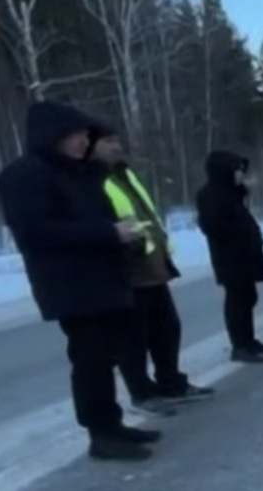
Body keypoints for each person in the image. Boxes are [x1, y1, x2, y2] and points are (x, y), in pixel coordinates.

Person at [0, 101, 162, 462]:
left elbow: (97, 219)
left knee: (109, 356)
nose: (85, 141)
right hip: (71, 286)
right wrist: (107, 233)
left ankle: (113, 425)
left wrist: (124, 240)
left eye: (87, 135)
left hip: (105, 279)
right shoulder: (25, 175)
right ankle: (100, 434)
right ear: (52, 134)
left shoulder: (81, 173)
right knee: (90, 359)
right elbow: (34, 232)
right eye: (78, 134)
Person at [90, 130, 215, 416]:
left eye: (116, 140)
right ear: (91, 146)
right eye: (108, 142)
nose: (116, 147)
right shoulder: (91, 181)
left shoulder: (124, 175)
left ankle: (172, 383)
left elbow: (145, 213)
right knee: (132, 338)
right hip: (126, 269)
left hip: (151, 265)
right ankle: (143, 393)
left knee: (167, 330)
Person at [196, 150, 263, 363]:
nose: (241, 174)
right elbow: (212, 225)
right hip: (229, 256)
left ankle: (249, 340)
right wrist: (240, 231)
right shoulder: (210, 195)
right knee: (237, 300)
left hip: (244, 252)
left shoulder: (232, 192)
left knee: (248, 297)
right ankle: (239, 345)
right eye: (237, 170)